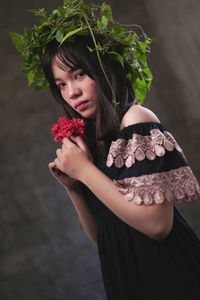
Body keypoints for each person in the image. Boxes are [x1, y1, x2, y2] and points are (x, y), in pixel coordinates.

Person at [10, 1, 200, 299]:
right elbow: (106, 239)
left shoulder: (137, 120)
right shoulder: (97, 142)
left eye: (78, 75)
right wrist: (74, 186)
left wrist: (85, 171)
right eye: (60, 84)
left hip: (168, 278)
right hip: (125, 281)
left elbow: (157, 226)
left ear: (102, 68)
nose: (71, 92)